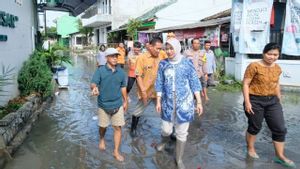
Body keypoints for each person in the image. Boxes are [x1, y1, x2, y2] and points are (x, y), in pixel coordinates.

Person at [243, 43, 296, 168]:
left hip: (272, 101)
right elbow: (245, 84)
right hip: (255, 100)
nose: (272, 57)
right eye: (270, 54)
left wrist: (279, 98)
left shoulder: (277, 68)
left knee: (280, 128)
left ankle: (280, 156)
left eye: (275, 54)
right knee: (255, 126)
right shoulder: (254, 66)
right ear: (264, 53)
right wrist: (248, 102)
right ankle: (250, 148)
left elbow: (276, 83)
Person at [155, 38, 203, 169]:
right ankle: (164, 141)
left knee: (182, 132)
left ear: (177, 48)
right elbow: (159, 82)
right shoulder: (163, 64)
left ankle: (179, 159)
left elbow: (194, 82)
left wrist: (198, 102)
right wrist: (158, 100)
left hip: (185, 102)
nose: (169, 51)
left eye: (171, 48)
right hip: (167, 101)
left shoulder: (187, 63)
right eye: (167, 48)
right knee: (166, 129)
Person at [90, 48, 128, 162]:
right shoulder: (100, 71)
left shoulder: (121, 72)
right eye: (112, 56)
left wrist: (125, 101)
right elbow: (93, 83)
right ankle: (102, 138)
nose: (115, 58)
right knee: (103, 127)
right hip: (103, 105)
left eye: (116, 56)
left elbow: (123, 87)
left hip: (118, 104)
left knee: (118, 128)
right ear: (106, 58)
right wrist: (95, 88)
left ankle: (116, 151)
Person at [130, 37, 167, 137]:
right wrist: (143, 91)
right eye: (157, 48)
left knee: (165, 110)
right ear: (150, 47)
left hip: (159, 91)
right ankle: (133, 129)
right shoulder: (141, 58)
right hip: (146, 91)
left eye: (160, 48)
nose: (159, 51)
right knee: (138, 111)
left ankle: (169, 131)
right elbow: (138, 75)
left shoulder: (162, 55)